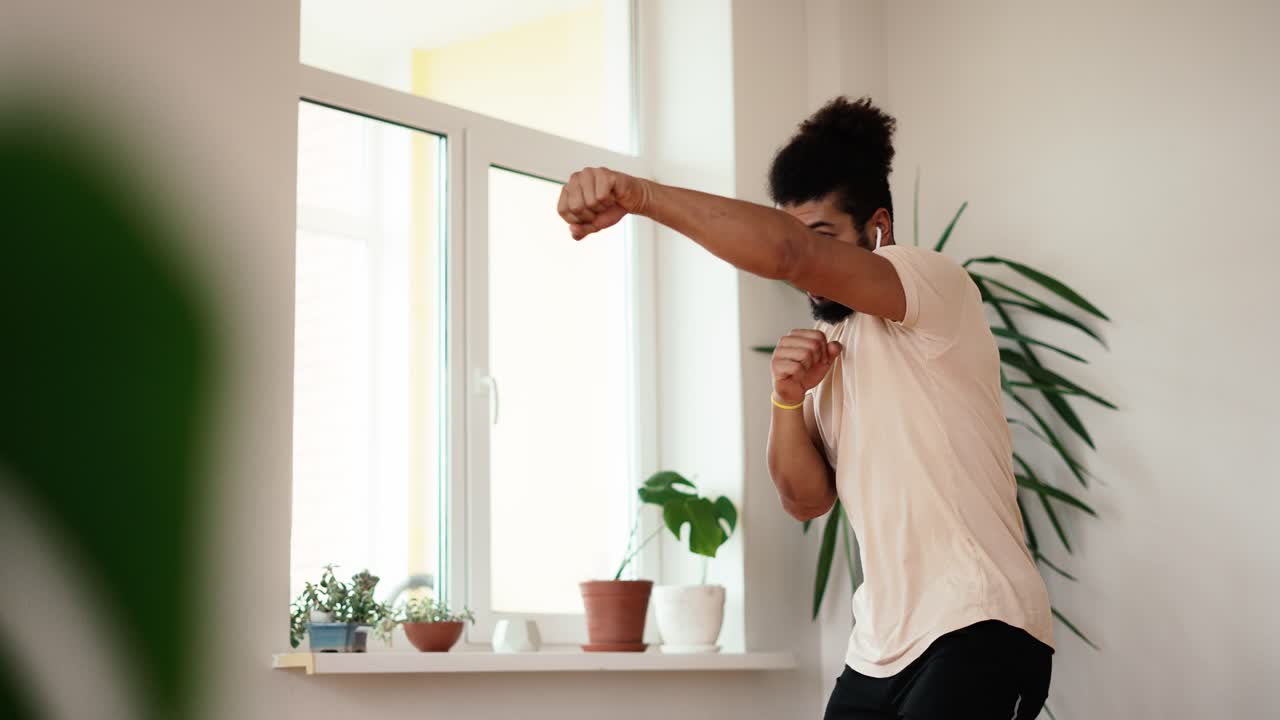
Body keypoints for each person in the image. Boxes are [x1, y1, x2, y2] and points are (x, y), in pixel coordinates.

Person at [557, 96, 1053, 719]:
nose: (803, 275)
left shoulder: (932, 287)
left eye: (821, 235)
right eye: (789, 230)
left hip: (982, 622)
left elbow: (789, 255)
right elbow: (804, 499)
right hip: (878, 648)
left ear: (878, 229)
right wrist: (787, 399)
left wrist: (640, 194)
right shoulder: (830, 351)